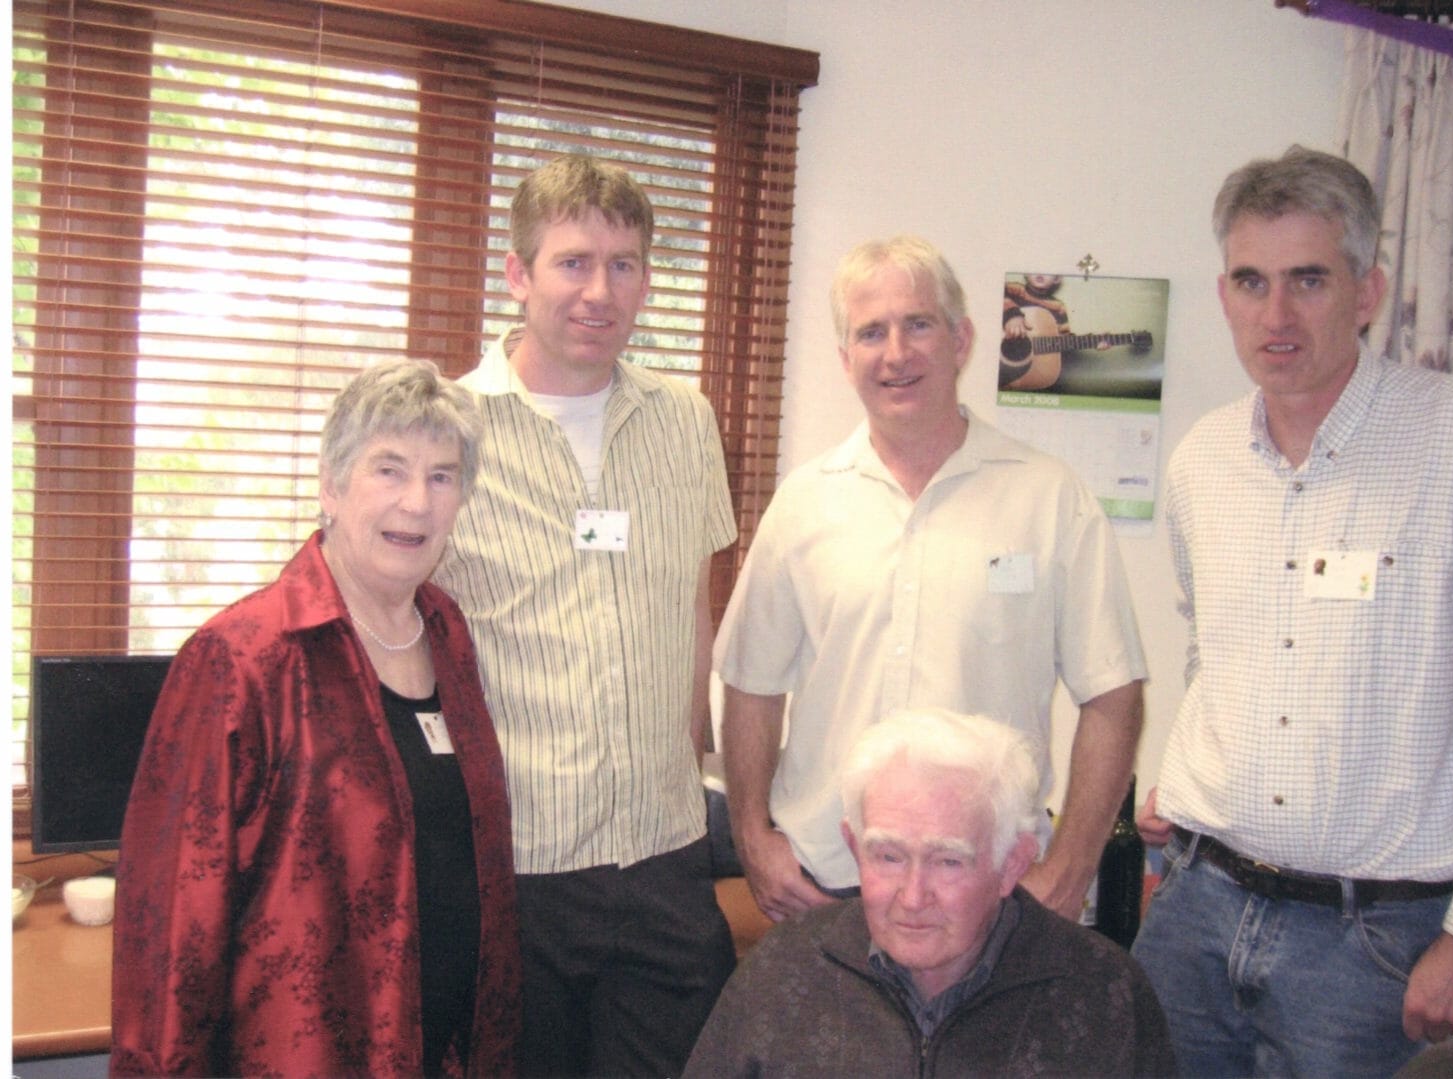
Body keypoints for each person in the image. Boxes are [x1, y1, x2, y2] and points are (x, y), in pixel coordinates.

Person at [1132, 145, 1453, 1076]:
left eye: (1308, 279)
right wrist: (1181, 777)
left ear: (1368, 290)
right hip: (1197, 906)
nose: (1277, 315)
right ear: (1223, 295)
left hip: (1376, 941)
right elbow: (1211, 654)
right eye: (1251, 281)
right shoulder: (1201, 460)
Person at [715, 235, 1147, 926]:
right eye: (871, 332)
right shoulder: (804, 503)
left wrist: (1070, 870)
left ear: (961, 340)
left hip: (990, 890)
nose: (896, 353)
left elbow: (1114, 695)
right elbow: (751, 684)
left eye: (917, 324)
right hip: (826, 881)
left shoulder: (1049, 498)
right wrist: (753, 837)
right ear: (845, 358)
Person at [111, 359, 521, 1078]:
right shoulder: (243, 658)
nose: (417, 503)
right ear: (331, 485)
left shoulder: (447, 631)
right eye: (389, 470)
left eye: (442, 476)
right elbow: (172, 929)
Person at [434, 153, 737, 1077]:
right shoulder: (446, 429)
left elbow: (692, 609)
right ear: (518, 273)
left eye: (624, 264)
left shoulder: (686, 419)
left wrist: (690, 756)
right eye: (573, 262)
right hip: (517, 869)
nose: (600, 291)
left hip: (666, 856)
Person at [683, 708, 1176, 1077]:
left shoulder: (1101, 993)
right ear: (854, 847)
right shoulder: (786, 969)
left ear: (1012, 864)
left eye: (948, 861)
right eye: (888, 856)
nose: (913, 897)